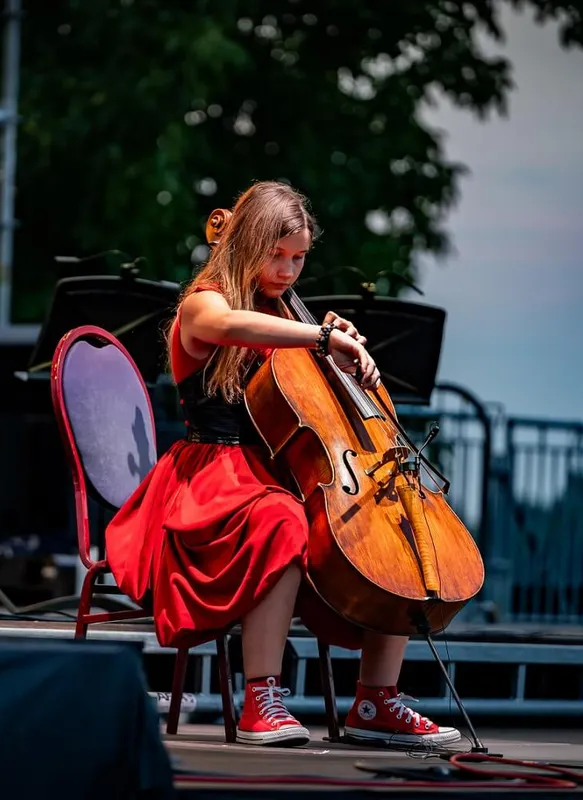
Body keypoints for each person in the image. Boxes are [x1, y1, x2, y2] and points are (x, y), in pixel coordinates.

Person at [105, 180, 461, 749]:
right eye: (278, 255)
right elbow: (230, 327)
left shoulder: (286, 316)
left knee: (389, 525)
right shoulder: (206, 302)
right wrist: (319, 336)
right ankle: (260, 700)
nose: (290, 270)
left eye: (299, 258)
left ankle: (376, 699)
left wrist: (339, 353)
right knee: (282, 521)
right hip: (211, 478)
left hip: (274, 474)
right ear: (247, 241)